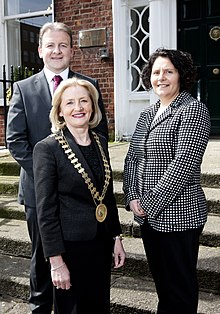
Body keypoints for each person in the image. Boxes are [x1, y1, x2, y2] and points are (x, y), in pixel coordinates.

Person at [6, 22, 108, 314]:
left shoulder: (89, 85)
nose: (56, 51)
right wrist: (49, 175)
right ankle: (40, 308)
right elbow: (15, 141)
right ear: (40, 50)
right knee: (43, 260)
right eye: (50, 45)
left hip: (82, 197)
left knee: (81, 262)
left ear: (72, 50)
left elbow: (100, 135)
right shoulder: (24, 89)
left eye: (63, 45)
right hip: (39, 196)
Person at [123, 48, 211, 314]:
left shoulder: (193, 110)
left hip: (180, 217)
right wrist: (131, 196)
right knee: (163, 286)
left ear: (181, 76)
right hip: (149, 218)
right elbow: (131, 159)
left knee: (180, 291)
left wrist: (148, 202)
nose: (161, 77)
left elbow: (183, 165)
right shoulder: (147, 114)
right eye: (157, 72)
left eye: (169, 72)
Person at [32, 77, 126, 314]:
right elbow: (46, 211)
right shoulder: (47, 148)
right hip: (69, 249)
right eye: (70, 103)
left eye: (84, 101)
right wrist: (56, 262)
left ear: (93, 106)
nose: (78, 108)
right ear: (60, 111)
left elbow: (106, 195)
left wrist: (116, 237)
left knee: (99, 306)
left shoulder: (100, 141)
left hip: (100, 243)